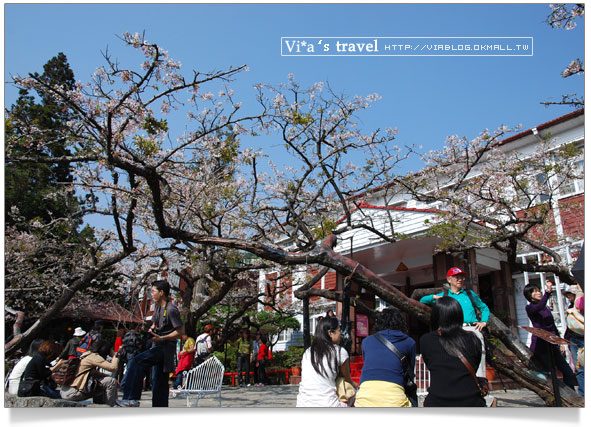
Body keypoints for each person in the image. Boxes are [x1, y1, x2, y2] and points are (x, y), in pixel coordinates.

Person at [117, 280, 185, 407]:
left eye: (153, 291)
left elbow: (180, 331)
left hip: (164, 348)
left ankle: (131, 398)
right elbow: (154, 324)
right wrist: (151, 330)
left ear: (162, 292)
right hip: (157, 346)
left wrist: (163, 337)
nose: (151, 294)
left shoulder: (171, 309)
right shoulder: (158, 307)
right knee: (159, 381)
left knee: (137, 361)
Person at [419, 267, 490, 378]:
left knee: (479, 357)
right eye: (456, 277)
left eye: (462, 277)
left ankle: (480, 386)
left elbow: (484, 307)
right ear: (449, 279)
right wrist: (434, 296)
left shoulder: (469, 294)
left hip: (472, 328)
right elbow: (422, 301)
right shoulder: (445, 296)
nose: (460, 279)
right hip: (454, 331)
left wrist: (484, 322)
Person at [420, 297, 486, 407]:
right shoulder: (473, 339)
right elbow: (474, 365)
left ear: (435, 317)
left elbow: (430, 364)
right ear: (459, 315)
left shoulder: (426, 340)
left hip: (438, 402)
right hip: (472, 401)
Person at [354, 307, 415, 407]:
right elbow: (410, 371)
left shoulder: (366, 341)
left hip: (364, 399)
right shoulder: (409, 342)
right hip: (395, 400)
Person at [523, 280, 576, 389]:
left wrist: (560, 342)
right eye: (535, 292)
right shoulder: (530, 308)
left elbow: (552, 326)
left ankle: (572, 396)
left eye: (539, 291)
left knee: (568, 372)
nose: (538, 293)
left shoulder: (545, 308)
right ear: (529, 295)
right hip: (541, 346)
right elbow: (539, 306)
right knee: (549, 374)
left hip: (552, 345)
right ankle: (556, 398)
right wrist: (547, 292)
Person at [297, 315, 356, 407]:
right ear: (330, 333)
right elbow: (347, 379)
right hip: (328, 405)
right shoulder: (339, 351)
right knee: (353, 393)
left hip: (303, 404)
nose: (340, 334)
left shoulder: (308, 352)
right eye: (339, 331)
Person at [59, 337, 120, 406]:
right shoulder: (93, 356)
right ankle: (110, 407)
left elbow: (94, 373)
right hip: (73, 392)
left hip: (65, 391)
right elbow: (113, 368)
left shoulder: (85, 354)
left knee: (102, 382)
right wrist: (115, 355)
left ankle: (99, 406)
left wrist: (106, 376)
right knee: (111, 381)